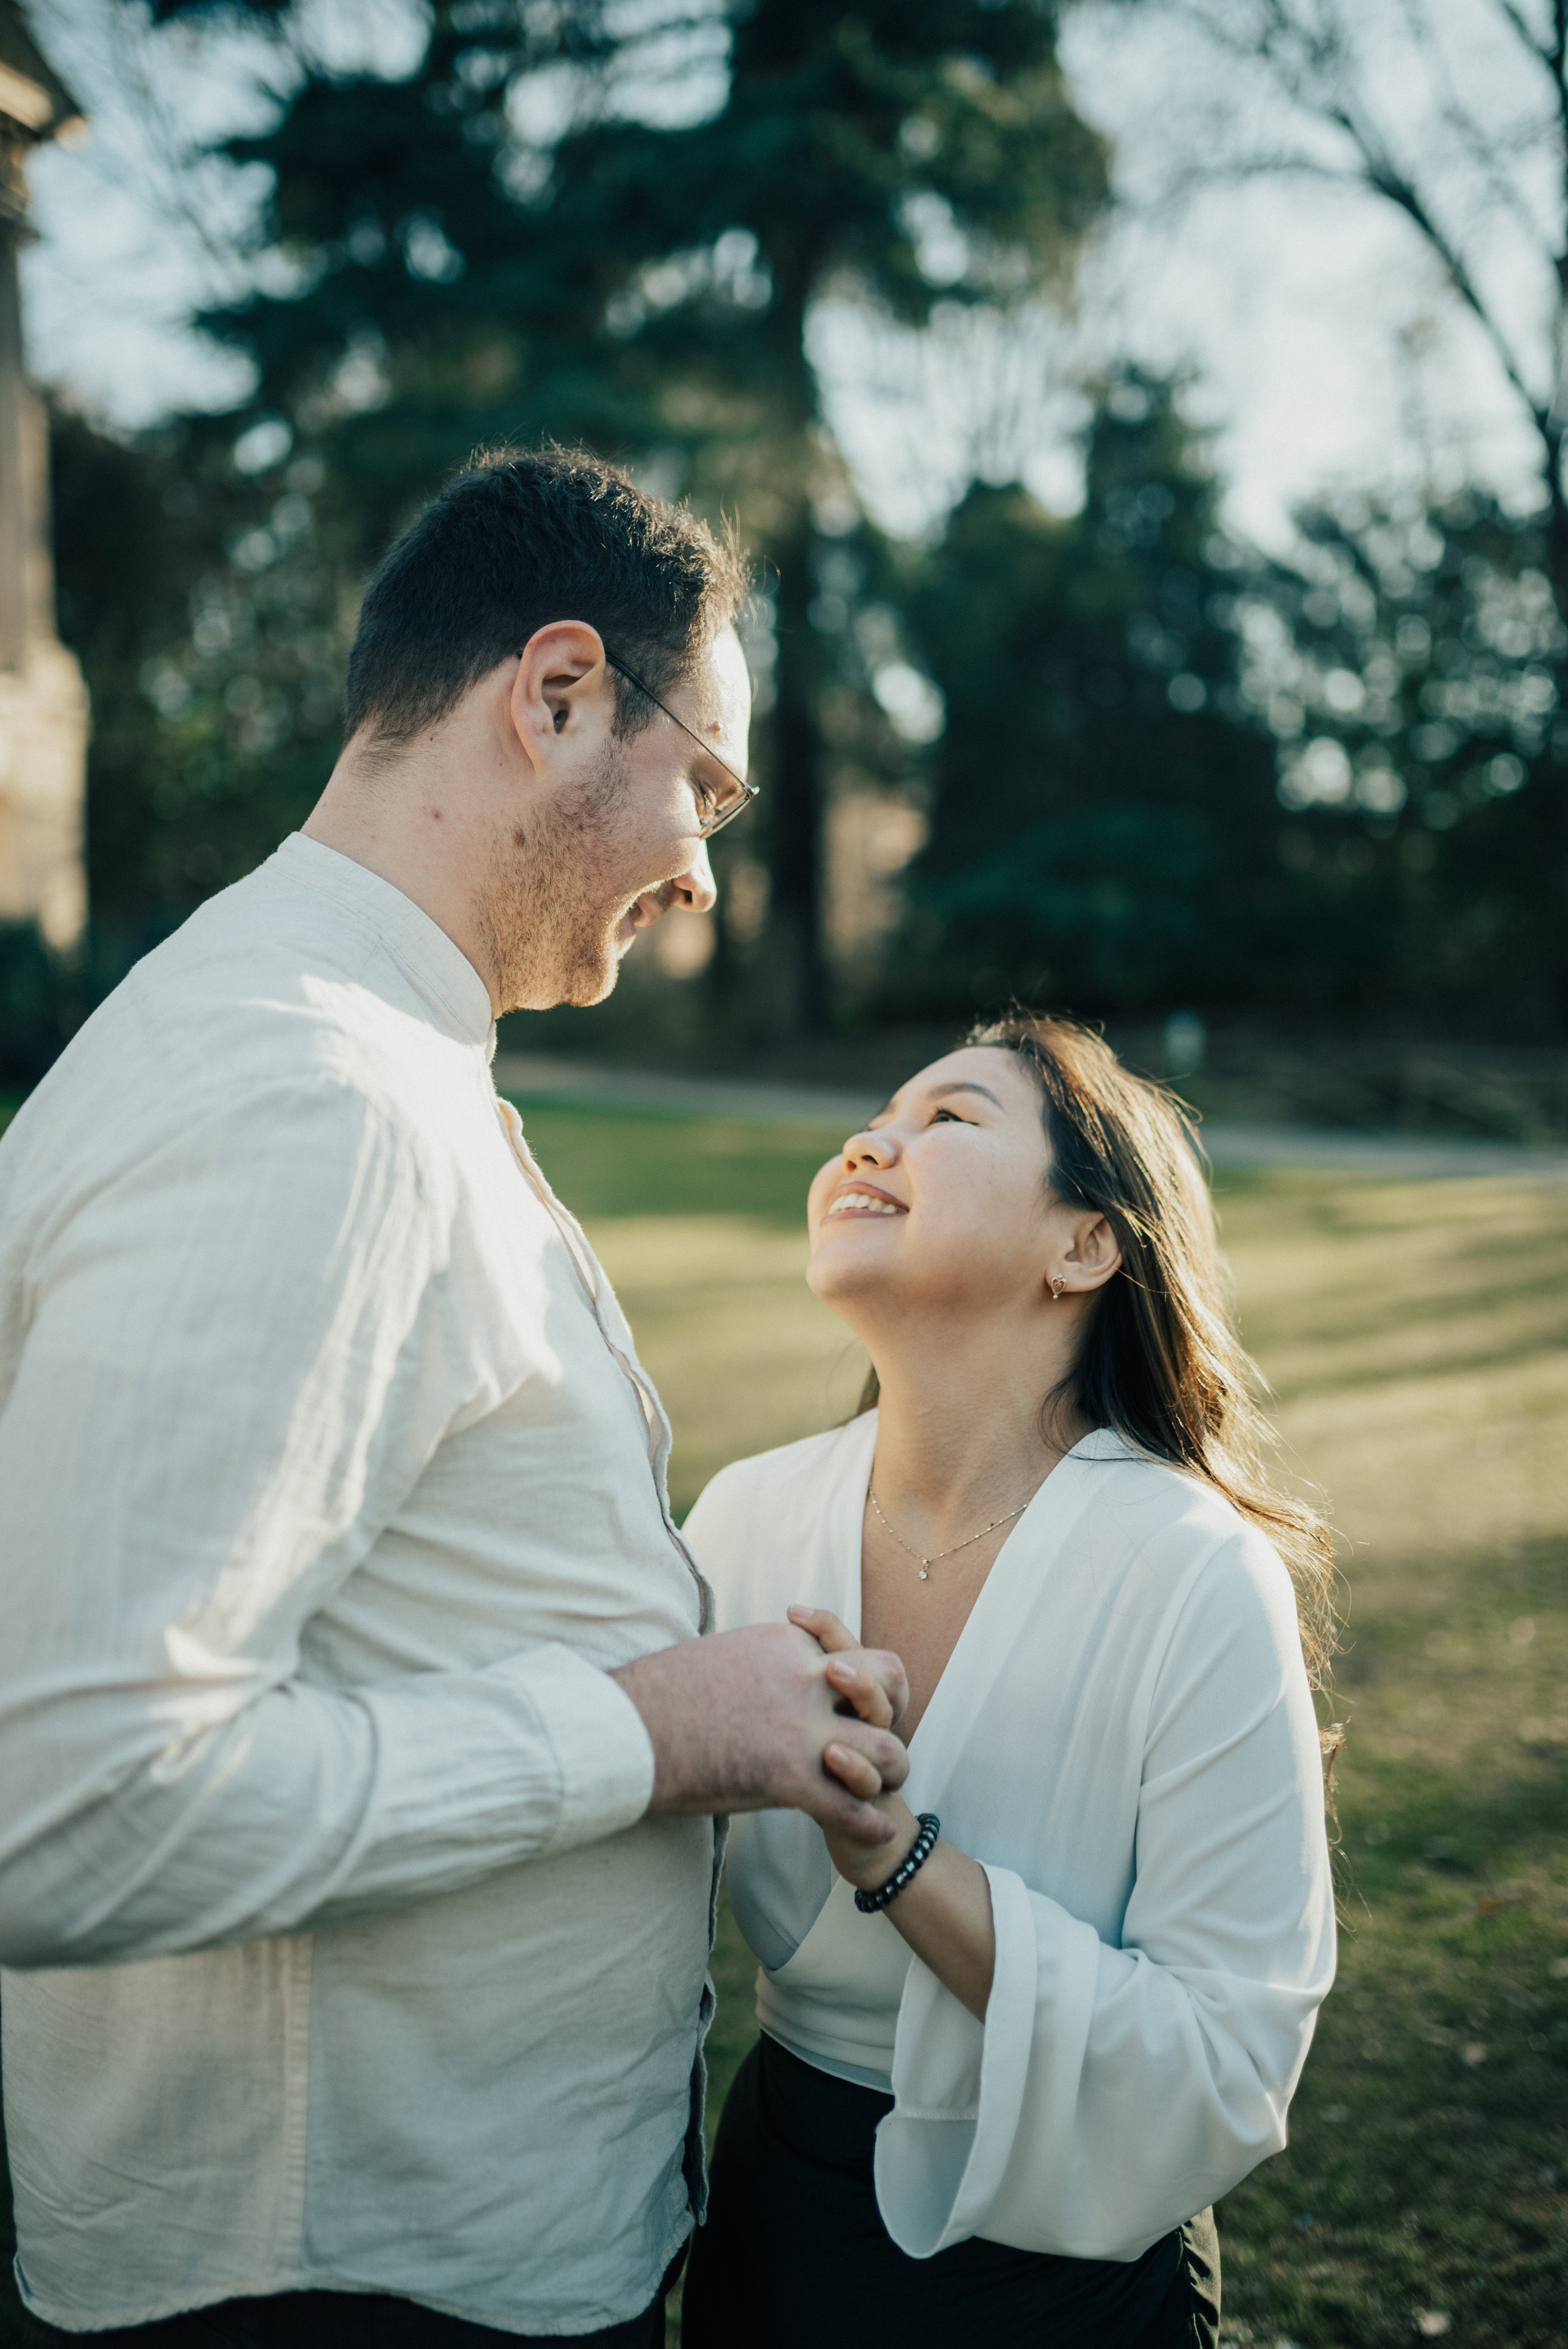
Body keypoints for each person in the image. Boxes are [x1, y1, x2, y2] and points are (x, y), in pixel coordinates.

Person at [0, 447, 911, 2345]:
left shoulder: (343, 1047)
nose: (703, 869)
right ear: (557, 693)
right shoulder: (304, 1094)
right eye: (708, 792)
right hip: (334, 2284)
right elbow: (72, 1804)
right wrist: (648, 1733)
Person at [679, 1014, 1339, 2348]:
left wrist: (898, 1858)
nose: (874, 1137)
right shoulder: (740, 1518)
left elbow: (1228, 2063)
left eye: (952, 1118)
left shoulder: (1192, 1573)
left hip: (1056, 2275)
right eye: (880, 1113)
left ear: (1083, 1245)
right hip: (770, 2222)